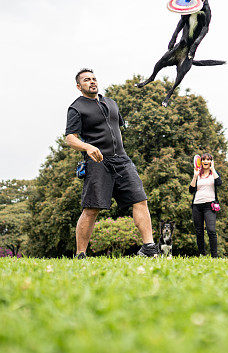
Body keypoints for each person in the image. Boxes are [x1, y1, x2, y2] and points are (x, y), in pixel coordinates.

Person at [64, 68, 158, 258]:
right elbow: (70, 138)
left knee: (140, 200)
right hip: (98, 162)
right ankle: (81, 254)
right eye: (86, 80)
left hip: (122, 160)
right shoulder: (76, 108)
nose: (92, 82)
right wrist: (87, 147)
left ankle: (149, 248)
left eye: (93, 78)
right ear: (79, 86)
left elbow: (117, 129)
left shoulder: (111, 103)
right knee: (91, 208)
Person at [189, 153, 222, 257]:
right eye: (203, 160)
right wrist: (195, 176)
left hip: (209, 206)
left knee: (211, 230)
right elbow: (191, 190)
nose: (205, 161)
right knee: (199, 232)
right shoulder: (198, 174)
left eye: (208, 160)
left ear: (211, 162)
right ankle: (201, 254)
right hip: (197, 205)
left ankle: (214, 256)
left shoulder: (214, 174)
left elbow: (219, 183)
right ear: (201, 162)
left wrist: (213, 169)